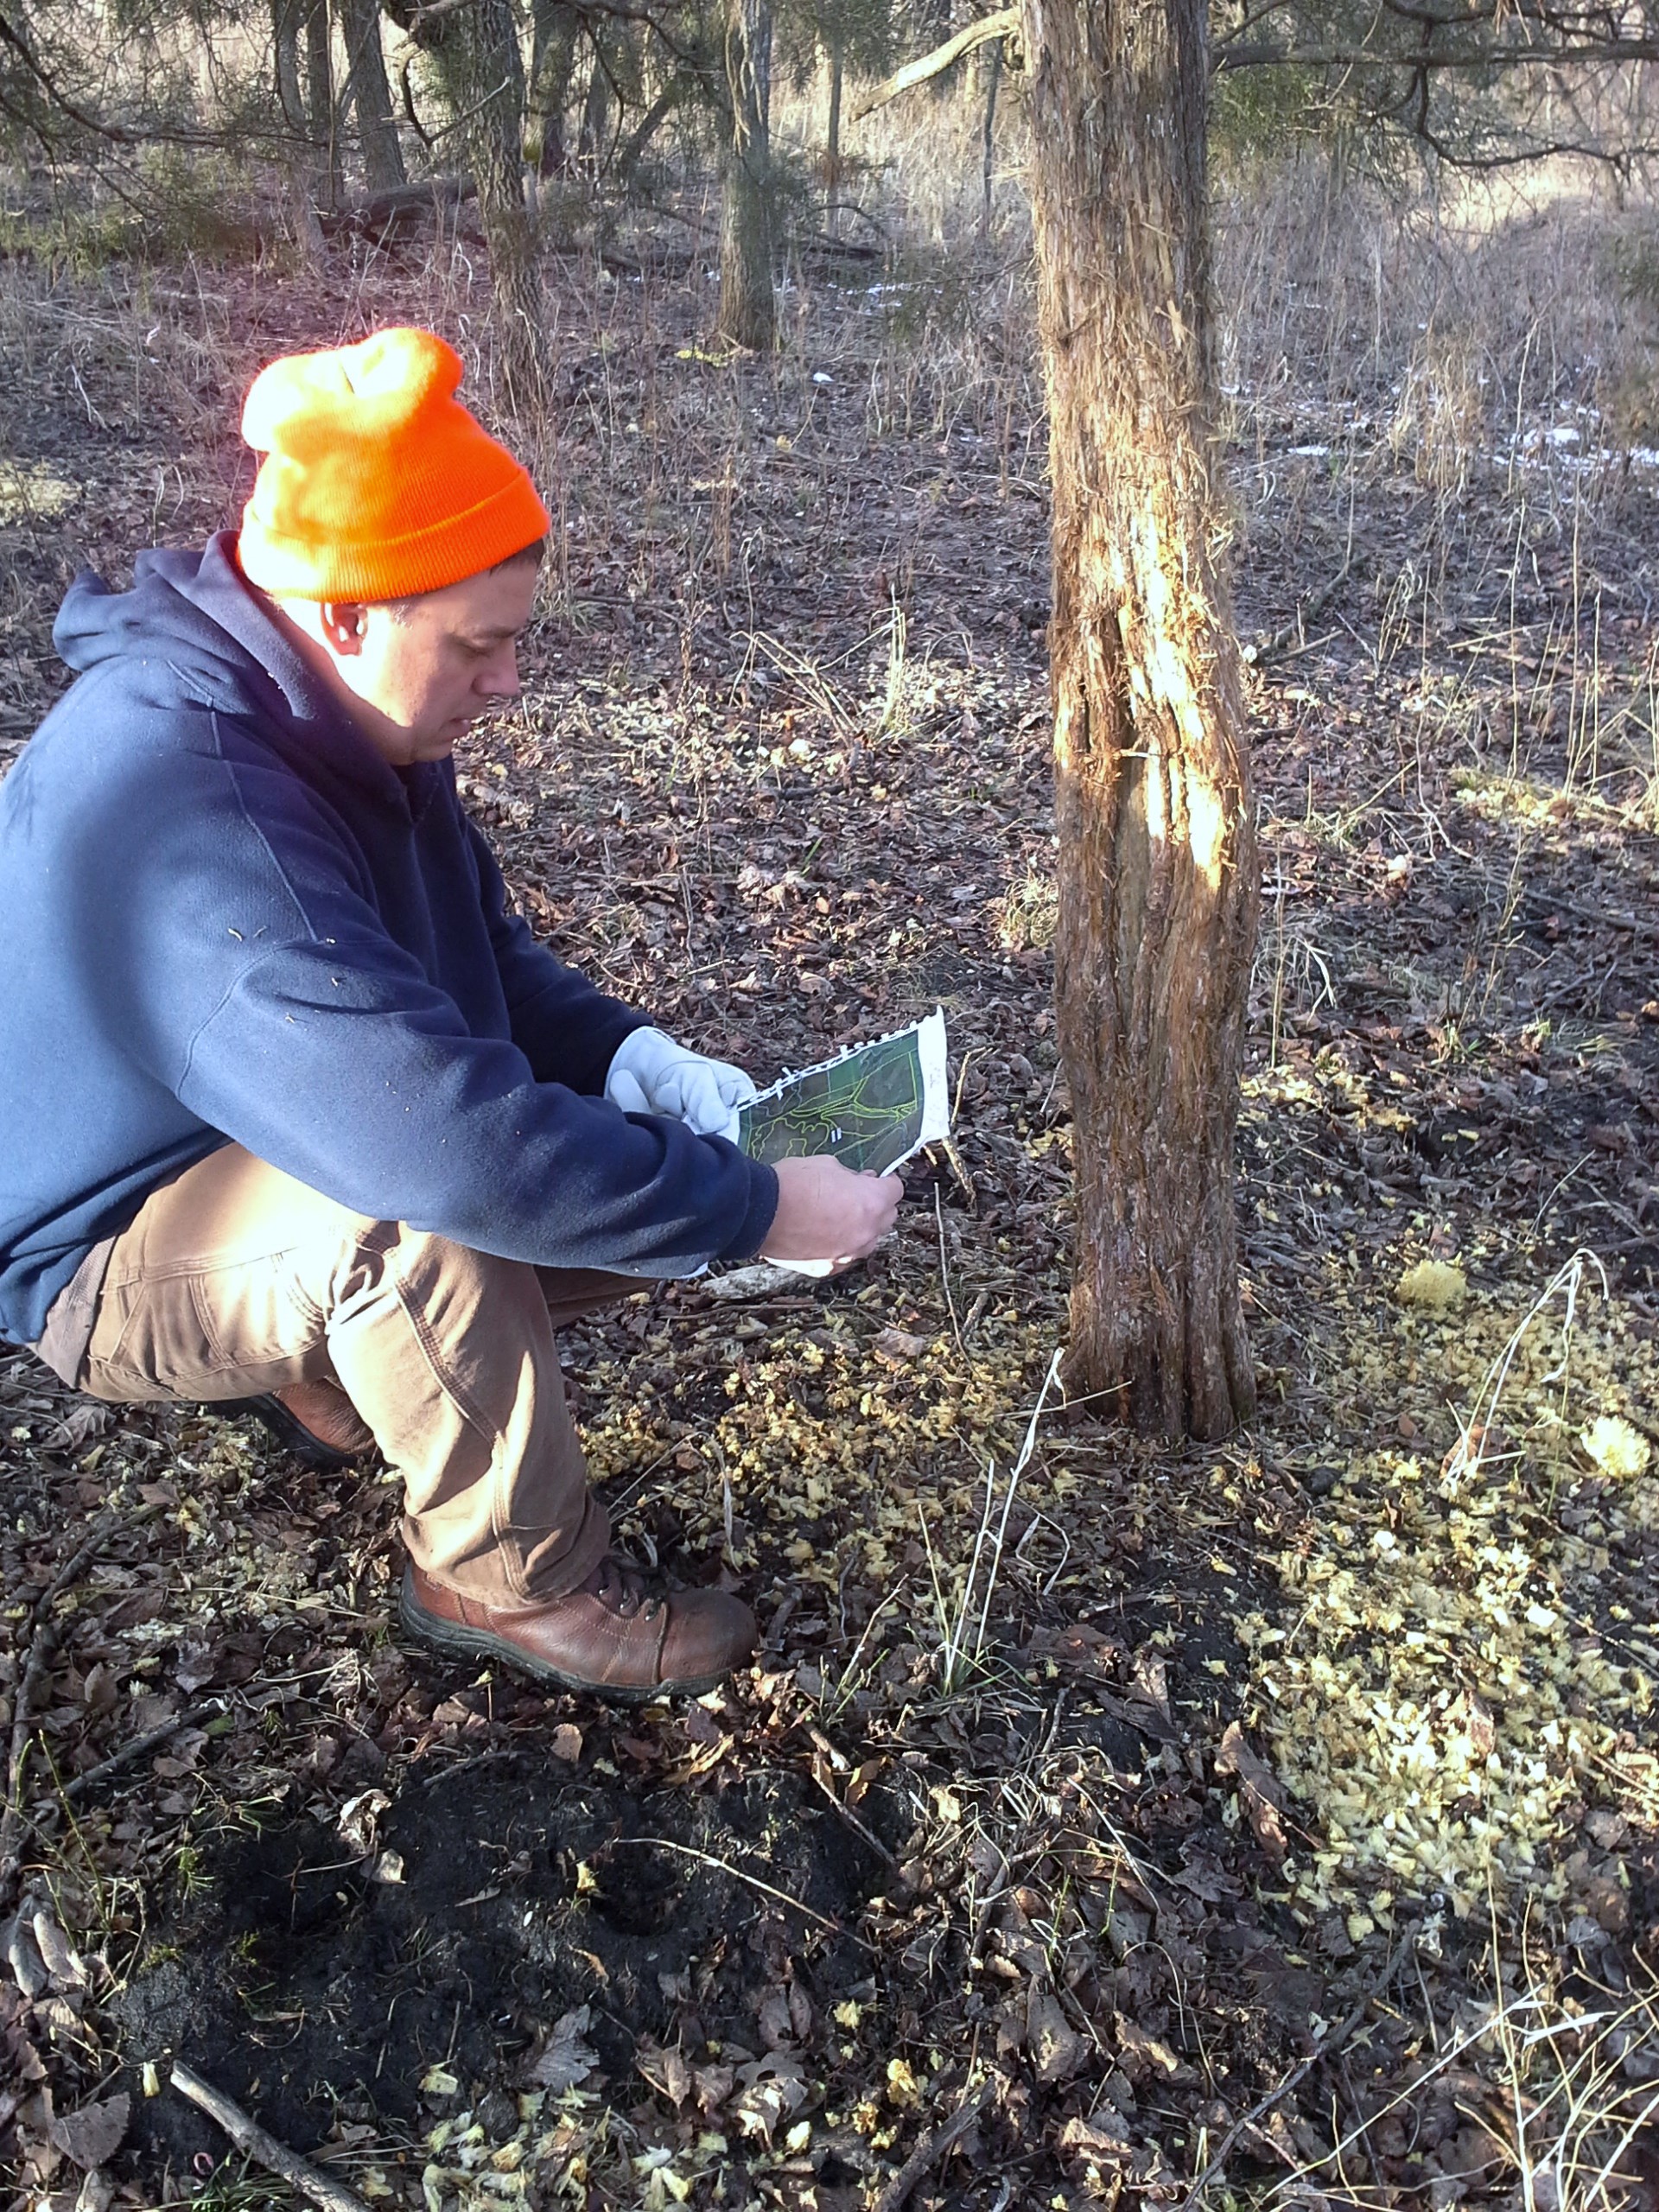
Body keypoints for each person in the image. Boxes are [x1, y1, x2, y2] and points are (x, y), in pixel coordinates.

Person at [0, 327, 902, 1701]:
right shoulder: (196, 801)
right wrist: (754, 1209)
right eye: (478, 647)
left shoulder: (340, 711)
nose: (511, 682)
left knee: (492, 1148)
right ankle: (504, 1578)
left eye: (516, 640)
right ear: (348, 613)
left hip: (234, 1124)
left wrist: (632, 1060)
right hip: (100, 1241)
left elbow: (478, 950)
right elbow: (441, 1152)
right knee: (408, 1214)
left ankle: (325, 1375)